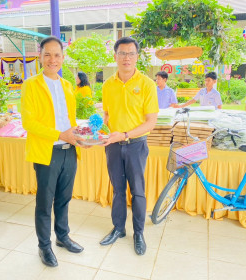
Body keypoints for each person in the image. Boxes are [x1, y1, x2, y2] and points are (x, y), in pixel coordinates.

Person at [21, 36, 84, 268]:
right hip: (47, 151)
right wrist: (60, 135)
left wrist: (78, 137)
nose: (52, 59)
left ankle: (62, 237)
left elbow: (69, 120)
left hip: (70, 150)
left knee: (64, 199)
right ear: (40, 57)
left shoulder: (68, 86)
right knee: (45, 202)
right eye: (47, 54)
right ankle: (44, 246)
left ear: (62, 58)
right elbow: (28, 122)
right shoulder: (31, 84)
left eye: (57, 55)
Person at [100, 37, 159, 256]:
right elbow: (107, 115)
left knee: (138, 192)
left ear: (137, 57)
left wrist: (124, 134)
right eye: (122, 53)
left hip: (136, 145)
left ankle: (139, 233)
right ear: (115, 56)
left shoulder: (147, 84)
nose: (127, 58)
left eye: (131, 53)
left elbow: (150, 122)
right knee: (117, 190)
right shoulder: (108, 85)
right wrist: (100, 131)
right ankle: (118, 229)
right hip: (113, 146)